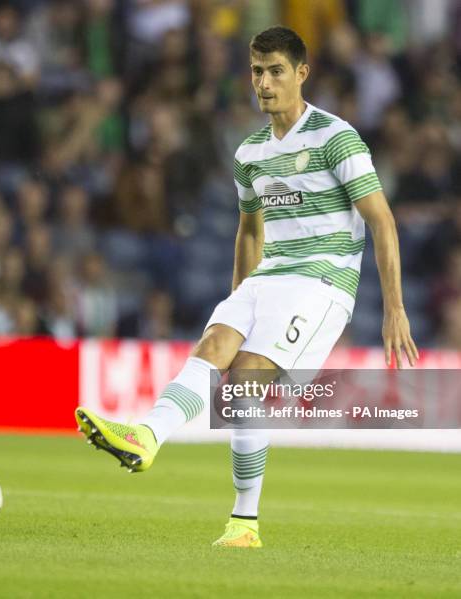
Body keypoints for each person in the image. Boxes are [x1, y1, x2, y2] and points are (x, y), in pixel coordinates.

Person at [74, 26, 419, 548]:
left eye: (277, 70)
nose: (264, 82)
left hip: (323, 283)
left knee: (244, 384)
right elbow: (250, 231)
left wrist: (394, 306)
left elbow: (382, 220)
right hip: (269, 278)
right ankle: (146, 438)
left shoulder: (337, 137)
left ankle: (244, 519)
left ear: (302, 74)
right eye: (257, 71)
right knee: (213, 349)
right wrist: (239, 302)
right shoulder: (250, 153)